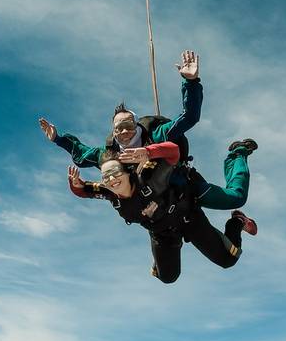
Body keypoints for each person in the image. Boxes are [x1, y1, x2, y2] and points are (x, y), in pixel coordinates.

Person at [39, 49, 258, 210]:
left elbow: (189, 117)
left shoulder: (158, 134)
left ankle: (236, 154)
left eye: (128, 126)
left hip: (183, 186)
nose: (124, 132)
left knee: (235, 199)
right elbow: (82, 153)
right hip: (154, 204)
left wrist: (191, 83)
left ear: (136, 125)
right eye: (118, 129)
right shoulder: (110, 154)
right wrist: (58, 138)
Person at [68, 142, 257, 284]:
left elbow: (174, 151)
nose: (111, 180)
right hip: (163, 233)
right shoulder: (109, 192)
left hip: (188, 217)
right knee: (168, 277)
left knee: (228, 260)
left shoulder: (149, 177)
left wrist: (148, 152)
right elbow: (84, 190)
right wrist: (76, 185)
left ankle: (237, 221)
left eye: (116, 173)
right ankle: (161, 258)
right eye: (106, 177)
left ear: (128, 172)